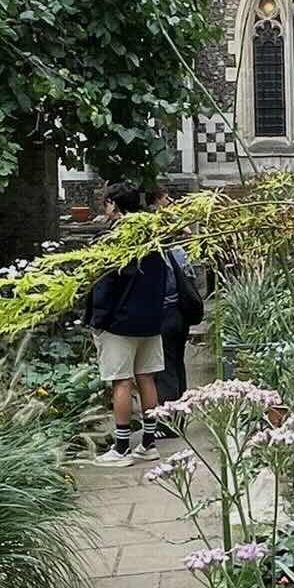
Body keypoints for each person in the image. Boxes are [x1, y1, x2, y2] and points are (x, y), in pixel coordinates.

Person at [86, 182, 171, 466]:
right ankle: (148, 444)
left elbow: (104, 285)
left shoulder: (112, 239)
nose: (104, 210)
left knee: (121, 382)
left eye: (106, 204)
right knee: (146, 378)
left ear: (114, 204)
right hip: (149, 321)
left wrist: (99, 320)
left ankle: (121, 448)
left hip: (119, 324)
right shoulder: (154, 238)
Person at [151, 186, 203, 410]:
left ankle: (169, 417)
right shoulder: (179, 253)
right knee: (177, 362)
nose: (170, 202)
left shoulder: (160, 256)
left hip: (165, 313)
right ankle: (181, 411)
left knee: (165, 368)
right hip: (180, 314)